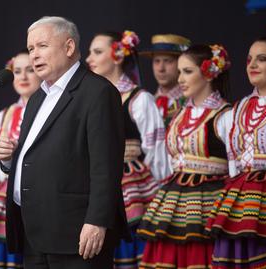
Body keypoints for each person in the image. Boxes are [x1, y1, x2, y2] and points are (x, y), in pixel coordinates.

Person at [0, 16, 129, 269]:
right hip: (34, 234)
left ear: (69, 47)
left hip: (76, 234)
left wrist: (97, 221)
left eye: (42, 46)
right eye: (30, 49)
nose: (34, 55)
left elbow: (106, 165)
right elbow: (40, 156)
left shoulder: (98, 92)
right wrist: (9, 160)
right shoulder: (37, 98)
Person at [137, 44, 232, 268]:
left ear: (209, 73)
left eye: (187, 72)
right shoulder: (181, 113)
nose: (180, 78)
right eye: (179, 72)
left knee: (201, 255)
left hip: (209, 203)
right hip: (174, 199)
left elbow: (237, 166)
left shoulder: (225, 115)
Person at [86, 30, 171, 268]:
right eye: (90, 52)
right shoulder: (90, 99)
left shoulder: (139, 99)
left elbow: (156, 152)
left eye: (97, 52)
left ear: (118, 55)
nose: (89, 58)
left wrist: (163, 197)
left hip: (133, 189)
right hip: (95, 184)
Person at [205, 36, 266, 268]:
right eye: (249, 60)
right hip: (243, 198)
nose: (253, 65)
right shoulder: (240, 108)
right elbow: (234, 160)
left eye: (262, 59)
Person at [0, 49, 41, 268]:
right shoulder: (6, 114)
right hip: (11, 189)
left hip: (42, 191)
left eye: (30, 70)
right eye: (17, 71)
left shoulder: (50, 108)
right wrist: (7, 166)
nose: (22, 77)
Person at [139, 34, 191, 126]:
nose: (161, 68)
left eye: (168, 61)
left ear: (181, 64)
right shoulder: (147, 101)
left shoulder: (191, 102)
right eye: (157, 61)